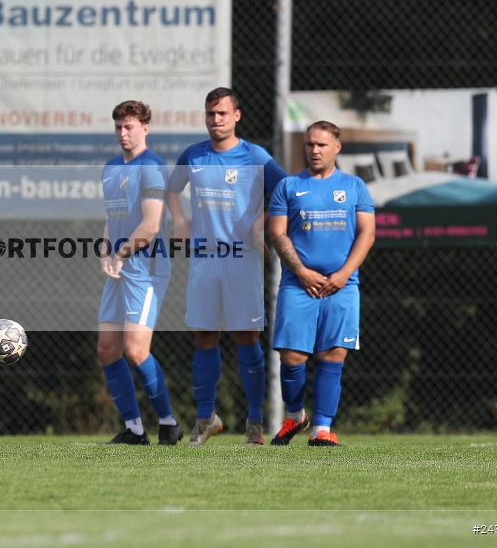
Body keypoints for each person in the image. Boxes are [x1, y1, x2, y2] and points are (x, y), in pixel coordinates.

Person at [166, 87, 288, 446]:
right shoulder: (194, 155)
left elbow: (288, 190)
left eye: (221, 113)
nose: (215, 120)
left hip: (242, 261)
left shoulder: (255, 156)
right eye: (210, 113)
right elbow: (172, 189)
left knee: (245, 337)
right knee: (204, 337)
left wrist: (262, 221)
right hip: (204, 260)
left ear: (237, 116)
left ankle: (254, 423)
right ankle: (206, 419)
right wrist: (180, 220)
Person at [268, 121, 375, 446]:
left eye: (322, 145)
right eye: (310, 145)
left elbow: (367, 233)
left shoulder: (355, 186)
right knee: (292, 357)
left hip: (342, 286)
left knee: (333, 355)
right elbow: (277, 233)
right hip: (298, 283)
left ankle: (322, 429)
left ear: (336, 148)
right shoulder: (288, 186)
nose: (315, 150)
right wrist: (300, 270)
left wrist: (344, 274)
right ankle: (296, 415)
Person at [98, 100, 182, 445]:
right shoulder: (111, 167)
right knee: (107, 350)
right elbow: (111, 217)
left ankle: (168, 423)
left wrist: (120, 252)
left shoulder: (152, 166)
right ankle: (134, 429)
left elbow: (150, 225)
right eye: (118, 126)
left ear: (145, 128)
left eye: (129, 126)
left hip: (145, 270)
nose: (123, 132)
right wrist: (105, 250)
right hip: (119, 268)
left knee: (135, 350)